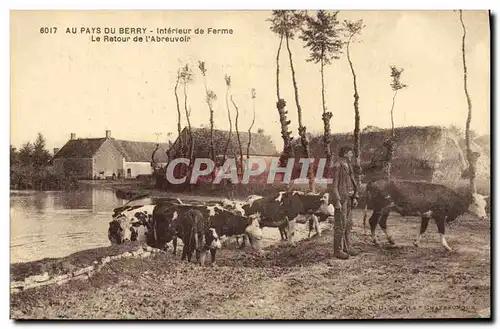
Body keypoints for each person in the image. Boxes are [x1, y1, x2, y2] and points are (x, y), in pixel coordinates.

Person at [328, 146, 360, 260]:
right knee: (340, 225)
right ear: (345, 153)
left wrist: (355, 196)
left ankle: (347, 247)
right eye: (350, 153)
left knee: (348, 224)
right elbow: (333, 186)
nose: (352, 155)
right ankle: (338, 250)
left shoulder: (348, 165)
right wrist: (337, 201)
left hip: (349, 198)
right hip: (341, 199)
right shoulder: (337, 167)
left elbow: (352, 182)